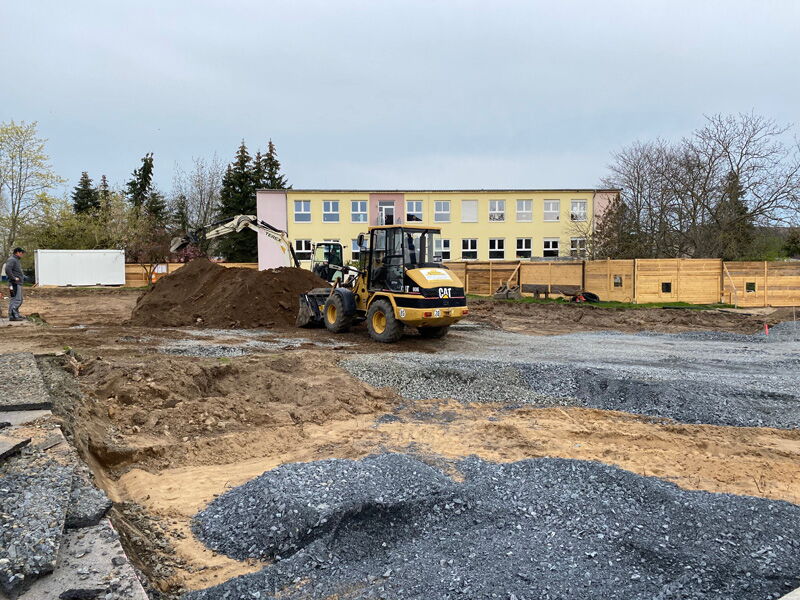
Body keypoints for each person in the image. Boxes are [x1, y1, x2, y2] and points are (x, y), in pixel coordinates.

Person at [5, 247, 26, 322]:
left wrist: (22, 276)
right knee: (17, 299)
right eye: (21, 253)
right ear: (17, 252)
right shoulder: (12, 259)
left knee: (16, 299)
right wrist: (14, 278)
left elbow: (15, 270)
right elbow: (7, 269)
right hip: (14, 283)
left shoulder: (15, 260)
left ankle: (14, 314)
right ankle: (13, 315)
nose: (22, 254)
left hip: (16, 283)